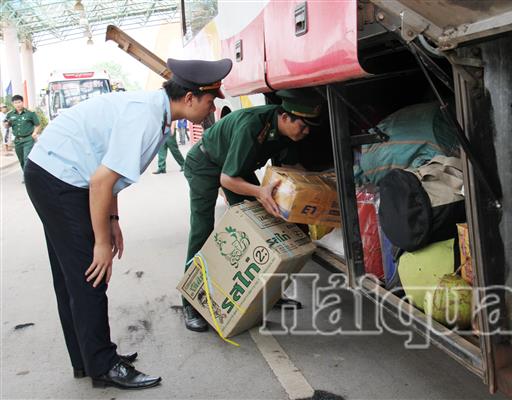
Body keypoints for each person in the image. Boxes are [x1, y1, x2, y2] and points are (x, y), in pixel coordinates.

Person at [24, 58, 232, 390]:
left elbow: (108, 166)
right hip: (59, 178)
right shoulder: (147, 117)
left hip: (54, 173)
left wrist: (113, 219)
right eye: (210, 100)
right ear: (190, 98)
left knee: (72, 277)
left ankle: (86, 358)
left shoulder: (156, 112)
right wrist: (101, 242)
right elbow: (100, 182)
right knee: (91, 274)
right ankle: (103, 366)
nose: (213, 107)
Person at [181, 89, 322, 332]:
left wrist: (318, 187)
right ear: (286, 117)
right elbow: (227, 180)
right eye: (304, 125)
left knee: (265, 224)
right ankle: (191, 302)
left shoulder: (288, 133)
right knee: (203, 230)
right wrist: (259, 192)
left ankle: (267, 293)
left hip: (235, 167)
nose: (307, 131)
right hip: (205, 164)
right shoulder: (252, 127)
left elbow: (292, 167)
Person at [4, 95, 40, 170]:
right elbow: (7, 125)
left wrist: (35, 133)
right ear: (13, 104)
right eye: (15, 103)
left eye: (19, 102)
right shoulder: (10, 114)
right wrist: (6, 124)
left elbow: (37, 125)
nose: (18, 104)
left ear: (22, 102)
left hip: (28, 139)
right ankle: (26, 175)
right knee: (21, 160)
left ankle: (27, 178)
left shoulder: (30, 113)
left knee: (27, 158)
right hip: (17, 141)